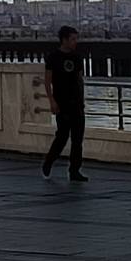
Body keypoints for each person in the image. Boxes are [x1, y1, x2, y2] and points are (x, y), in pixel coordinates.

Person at [42, 25, 88, 182]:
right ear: (64, 40)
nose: (75, 42)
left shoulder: (77, 57)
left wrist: (82, 99)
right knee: (62, 136)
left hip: (77, 103)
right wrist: (51, 101)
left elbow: (79, 79)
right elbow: (47, 81)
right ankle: (49, 161)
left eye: (76, 39)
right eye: (73, 39)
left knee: (77, 139)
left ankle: (75, 170)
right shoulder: (53, 57)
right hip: (62, 102)